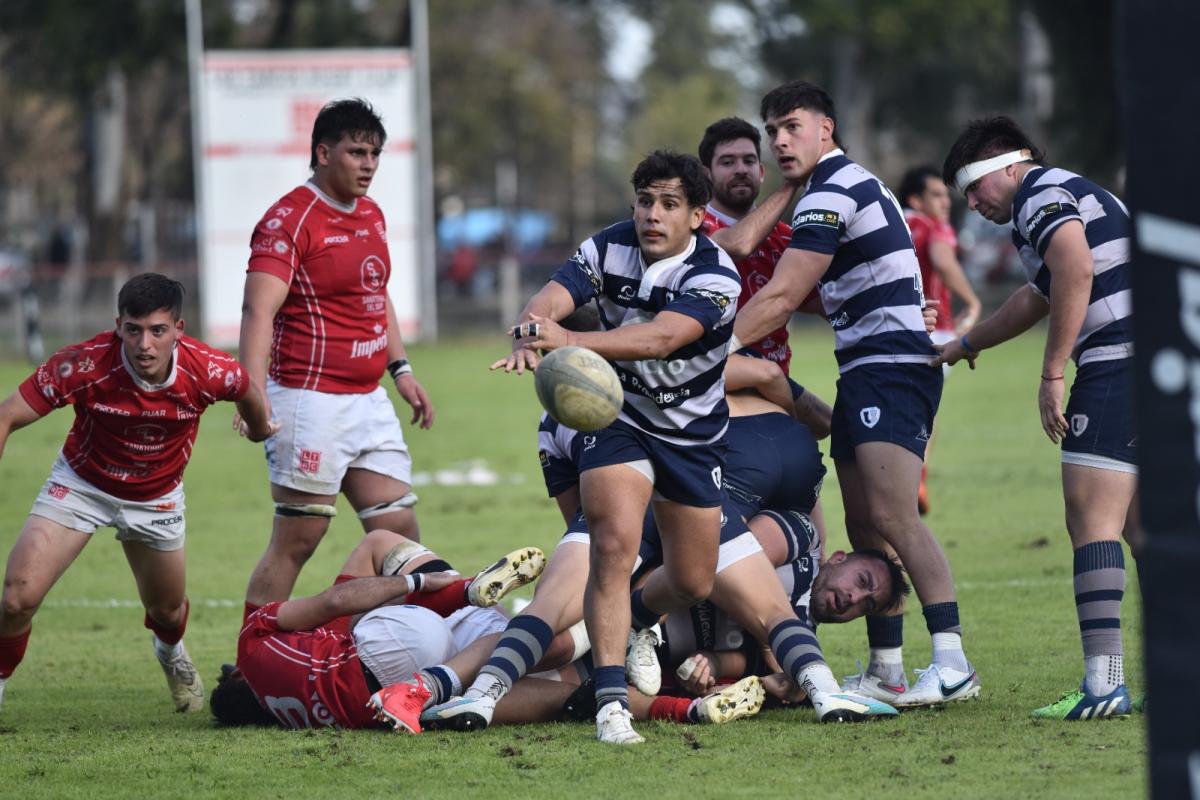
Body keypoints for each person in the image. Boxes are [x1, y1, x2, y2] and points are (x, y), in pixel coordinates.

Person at [729, 80, 979, 708]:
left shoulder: (834, 189)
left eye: (792, 126)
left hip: (891, 368)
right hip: (865, 367)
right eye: (772, 131)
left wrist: (709, 350)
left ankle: (953, 664)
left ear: (826, 129)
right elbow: (826, 290)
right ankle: (886, 670)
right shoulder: (829, 188)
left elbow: (784, 295)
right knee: (866, 522)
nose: (780, 141)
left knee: (895, 516)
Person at [491, 150, 741, 744]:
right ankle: (611, 705)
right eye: (645, 201)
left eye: (669, 204)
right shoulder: (608, 246)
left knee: (693, 580)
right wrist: (531, 330)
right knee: (610, 546)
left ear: (697, 216)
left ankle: (637, 619)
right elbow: (550, 299)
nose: (653, 214)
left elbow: (659, 339)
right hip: (619, 416)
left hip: (690, 436)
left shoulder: (717, 277)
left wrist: (568, 339)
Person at [0, 273, 275, 713]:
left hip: (156, 497)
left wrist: (259, 428)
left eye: (158, 331)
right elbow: (7, 416)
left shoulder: (207, 369)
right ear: (118, 326)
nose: (144, 344)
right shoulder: (85, 364)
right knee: (17, 597)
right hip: (82, 484)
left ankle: (170, 652)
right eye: (133, 330)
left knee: (167, 612)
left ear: (178, 330)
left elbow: (246, 388)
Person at [937, 116, 1136, 720]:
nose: (973, 203)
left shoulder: (1039, 191)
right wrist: (966, 345)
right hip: (1149, 362)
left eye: (974, 187)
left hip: (1116, 363)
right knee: (1144, 528)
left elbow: (1075, 270)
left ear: (1009, 166)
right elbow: (1038, 296)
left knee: (1090, 520)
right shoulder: (1061, 192)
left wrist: (1052, 374)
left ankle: (1104, 685)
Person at [237, 98, 435, 615]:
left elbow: (376, 294)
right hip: (309, 402)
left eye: (375, 154)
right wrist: (251, 394)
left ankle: (383, 646)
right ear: (323, 153)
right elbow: (258, 310)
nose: (368, 165)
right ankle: (252, 653)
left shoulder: (371, 213)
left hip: (367, 400)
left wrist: (401, 369)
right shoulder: (289, 219)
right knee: (299, 538)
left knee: (400, 535)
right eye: (356, 153)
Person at [210, 530, 546, 731]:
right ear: (237, 675)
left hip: (393, 697)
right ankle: (464, 590)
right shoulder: (253, 645)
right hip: (388, 643)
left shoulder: (286, 717)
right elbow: (334, 601)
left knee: (507, 644)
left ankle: (566, 694)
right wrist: (418, 581)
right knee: (378, 544)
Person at [697, 116, 832, 436]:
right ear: (706, 174)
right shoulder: (695, 226)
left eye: (748, 161)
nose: (740, 169)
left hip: (774, 378)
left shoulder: (785, 238)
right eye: (727, 162)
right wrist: (792, 183)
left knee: (836, 429)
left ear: (760, 172)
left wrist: (895, 312)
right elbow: (739, 245)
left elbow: (826, 304)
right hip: (712, 375)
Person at [897, 165, 983, 514]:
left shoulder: (890, 223)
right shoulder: (934, 227)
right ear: (915, 199)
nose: (945, 202)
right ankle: (914, 477)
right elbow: (942, 261)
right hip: (936, 329)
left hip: (891, 329)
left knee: (902, 407)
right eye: (936, 195)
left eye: (946, 195)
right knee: (924, 412)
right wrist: (973, 302)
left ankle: (899, 476)